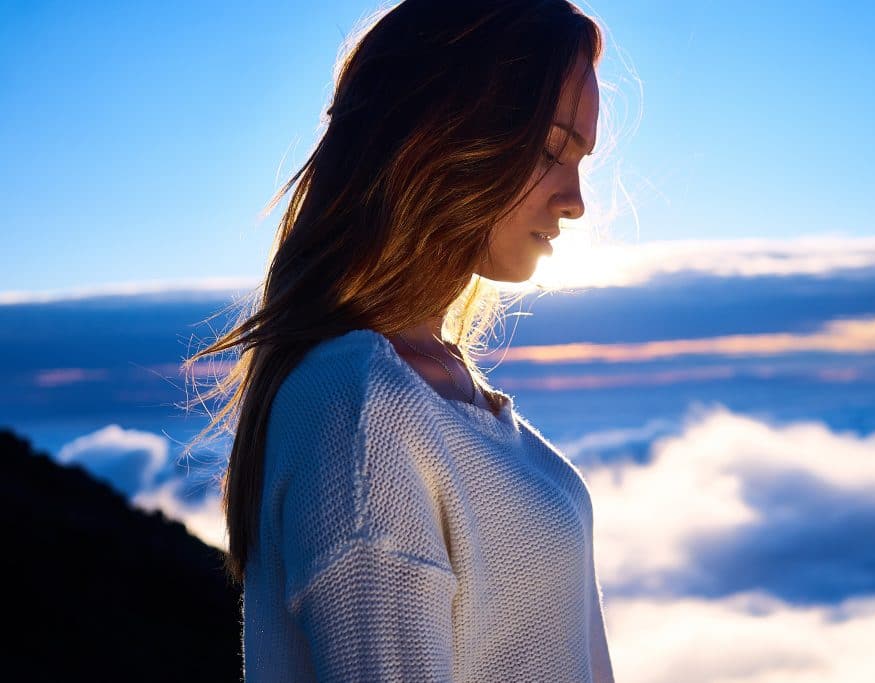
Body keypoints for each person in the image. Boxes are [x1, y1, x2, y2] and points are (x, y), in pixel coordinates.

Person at [184, 0, 614, 680]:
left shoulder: (434, 387)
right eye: (552, 148)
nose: (576, 201)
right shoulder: (361, 410)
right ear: (445, 134)